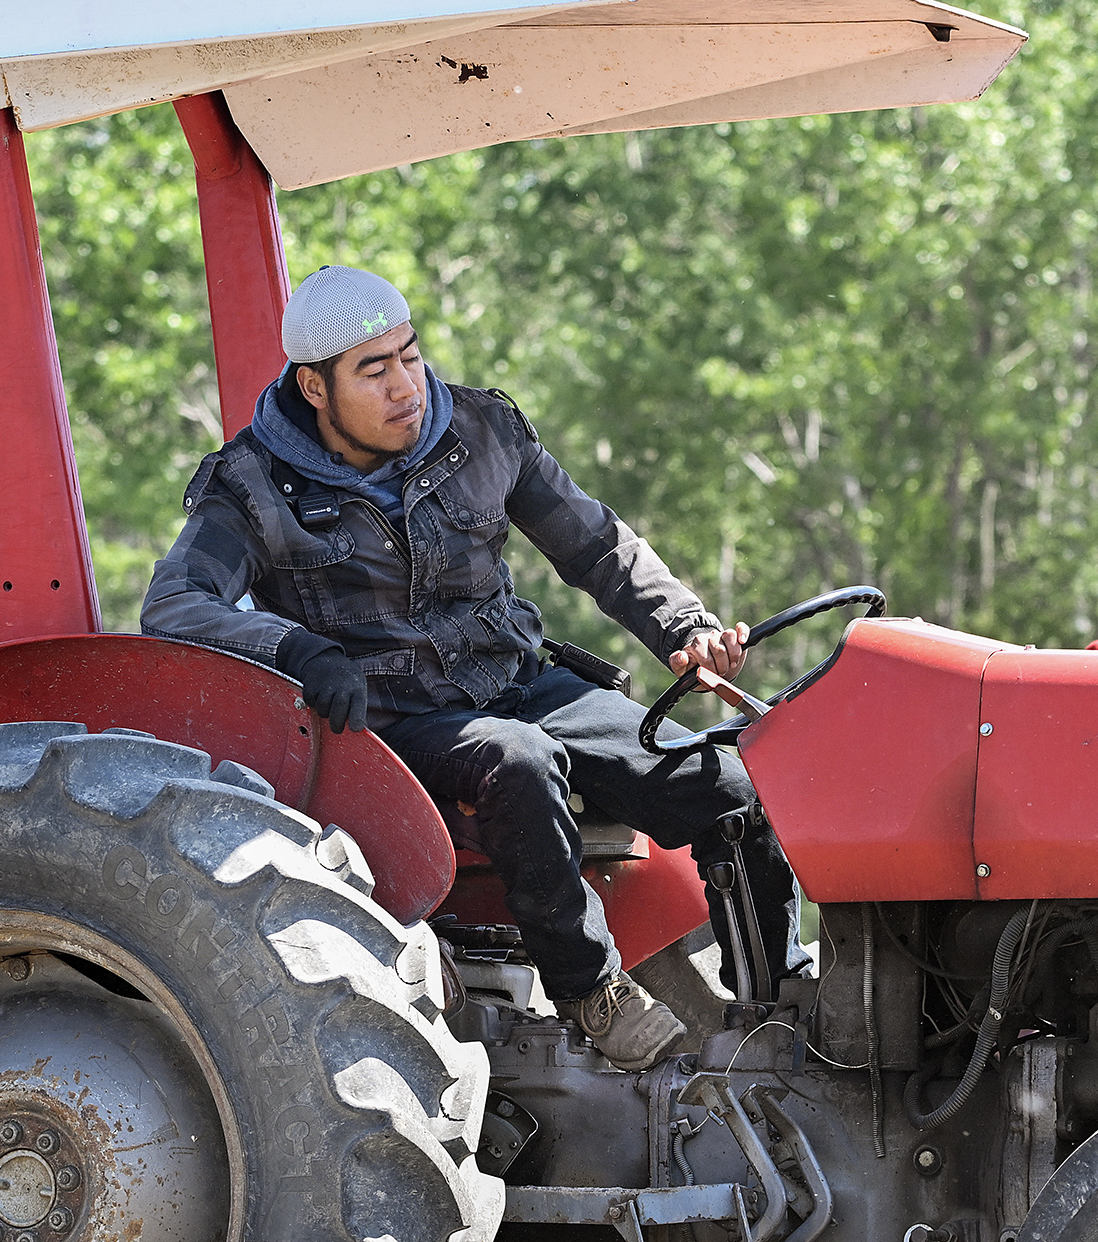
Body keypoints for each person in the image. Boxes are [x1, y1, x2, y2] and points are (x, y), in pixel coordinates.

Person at [141, 264, 803, 1069]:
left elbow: (596, 544)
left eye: (410, 355)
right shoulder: (251, 489)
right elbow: (174, 605)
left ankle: (778, 1012)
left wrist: (685, 625)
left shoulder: (484, 433)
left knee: (732, 785)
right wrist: (295, 649)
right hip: (395, 723)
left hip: (520, 683)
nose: (405, 386)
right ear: (314, 388)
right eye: (373, 370)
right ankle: (592, 990)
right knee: (519, 761)